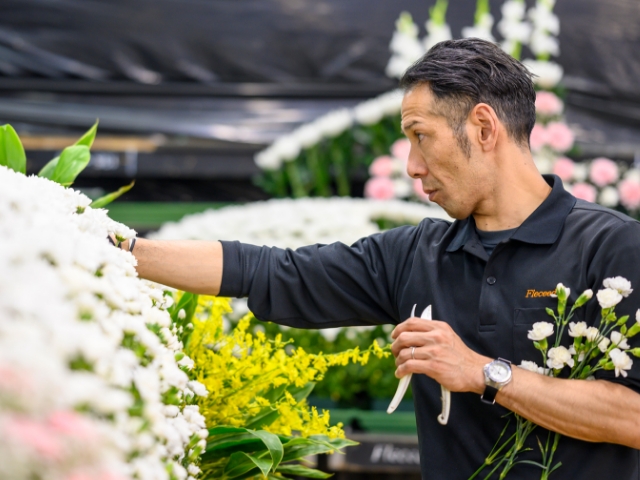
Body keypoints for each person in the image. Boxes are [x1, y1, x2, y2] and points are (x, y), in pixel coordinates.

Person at [117, 39, 640, 479]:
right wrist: (119, 252)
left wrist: (482, 372)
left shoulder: (613, 247)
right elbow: (270, 270)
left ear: (484, 128)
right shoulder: (417, 254)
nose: (412, 166)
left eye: (421, 137)